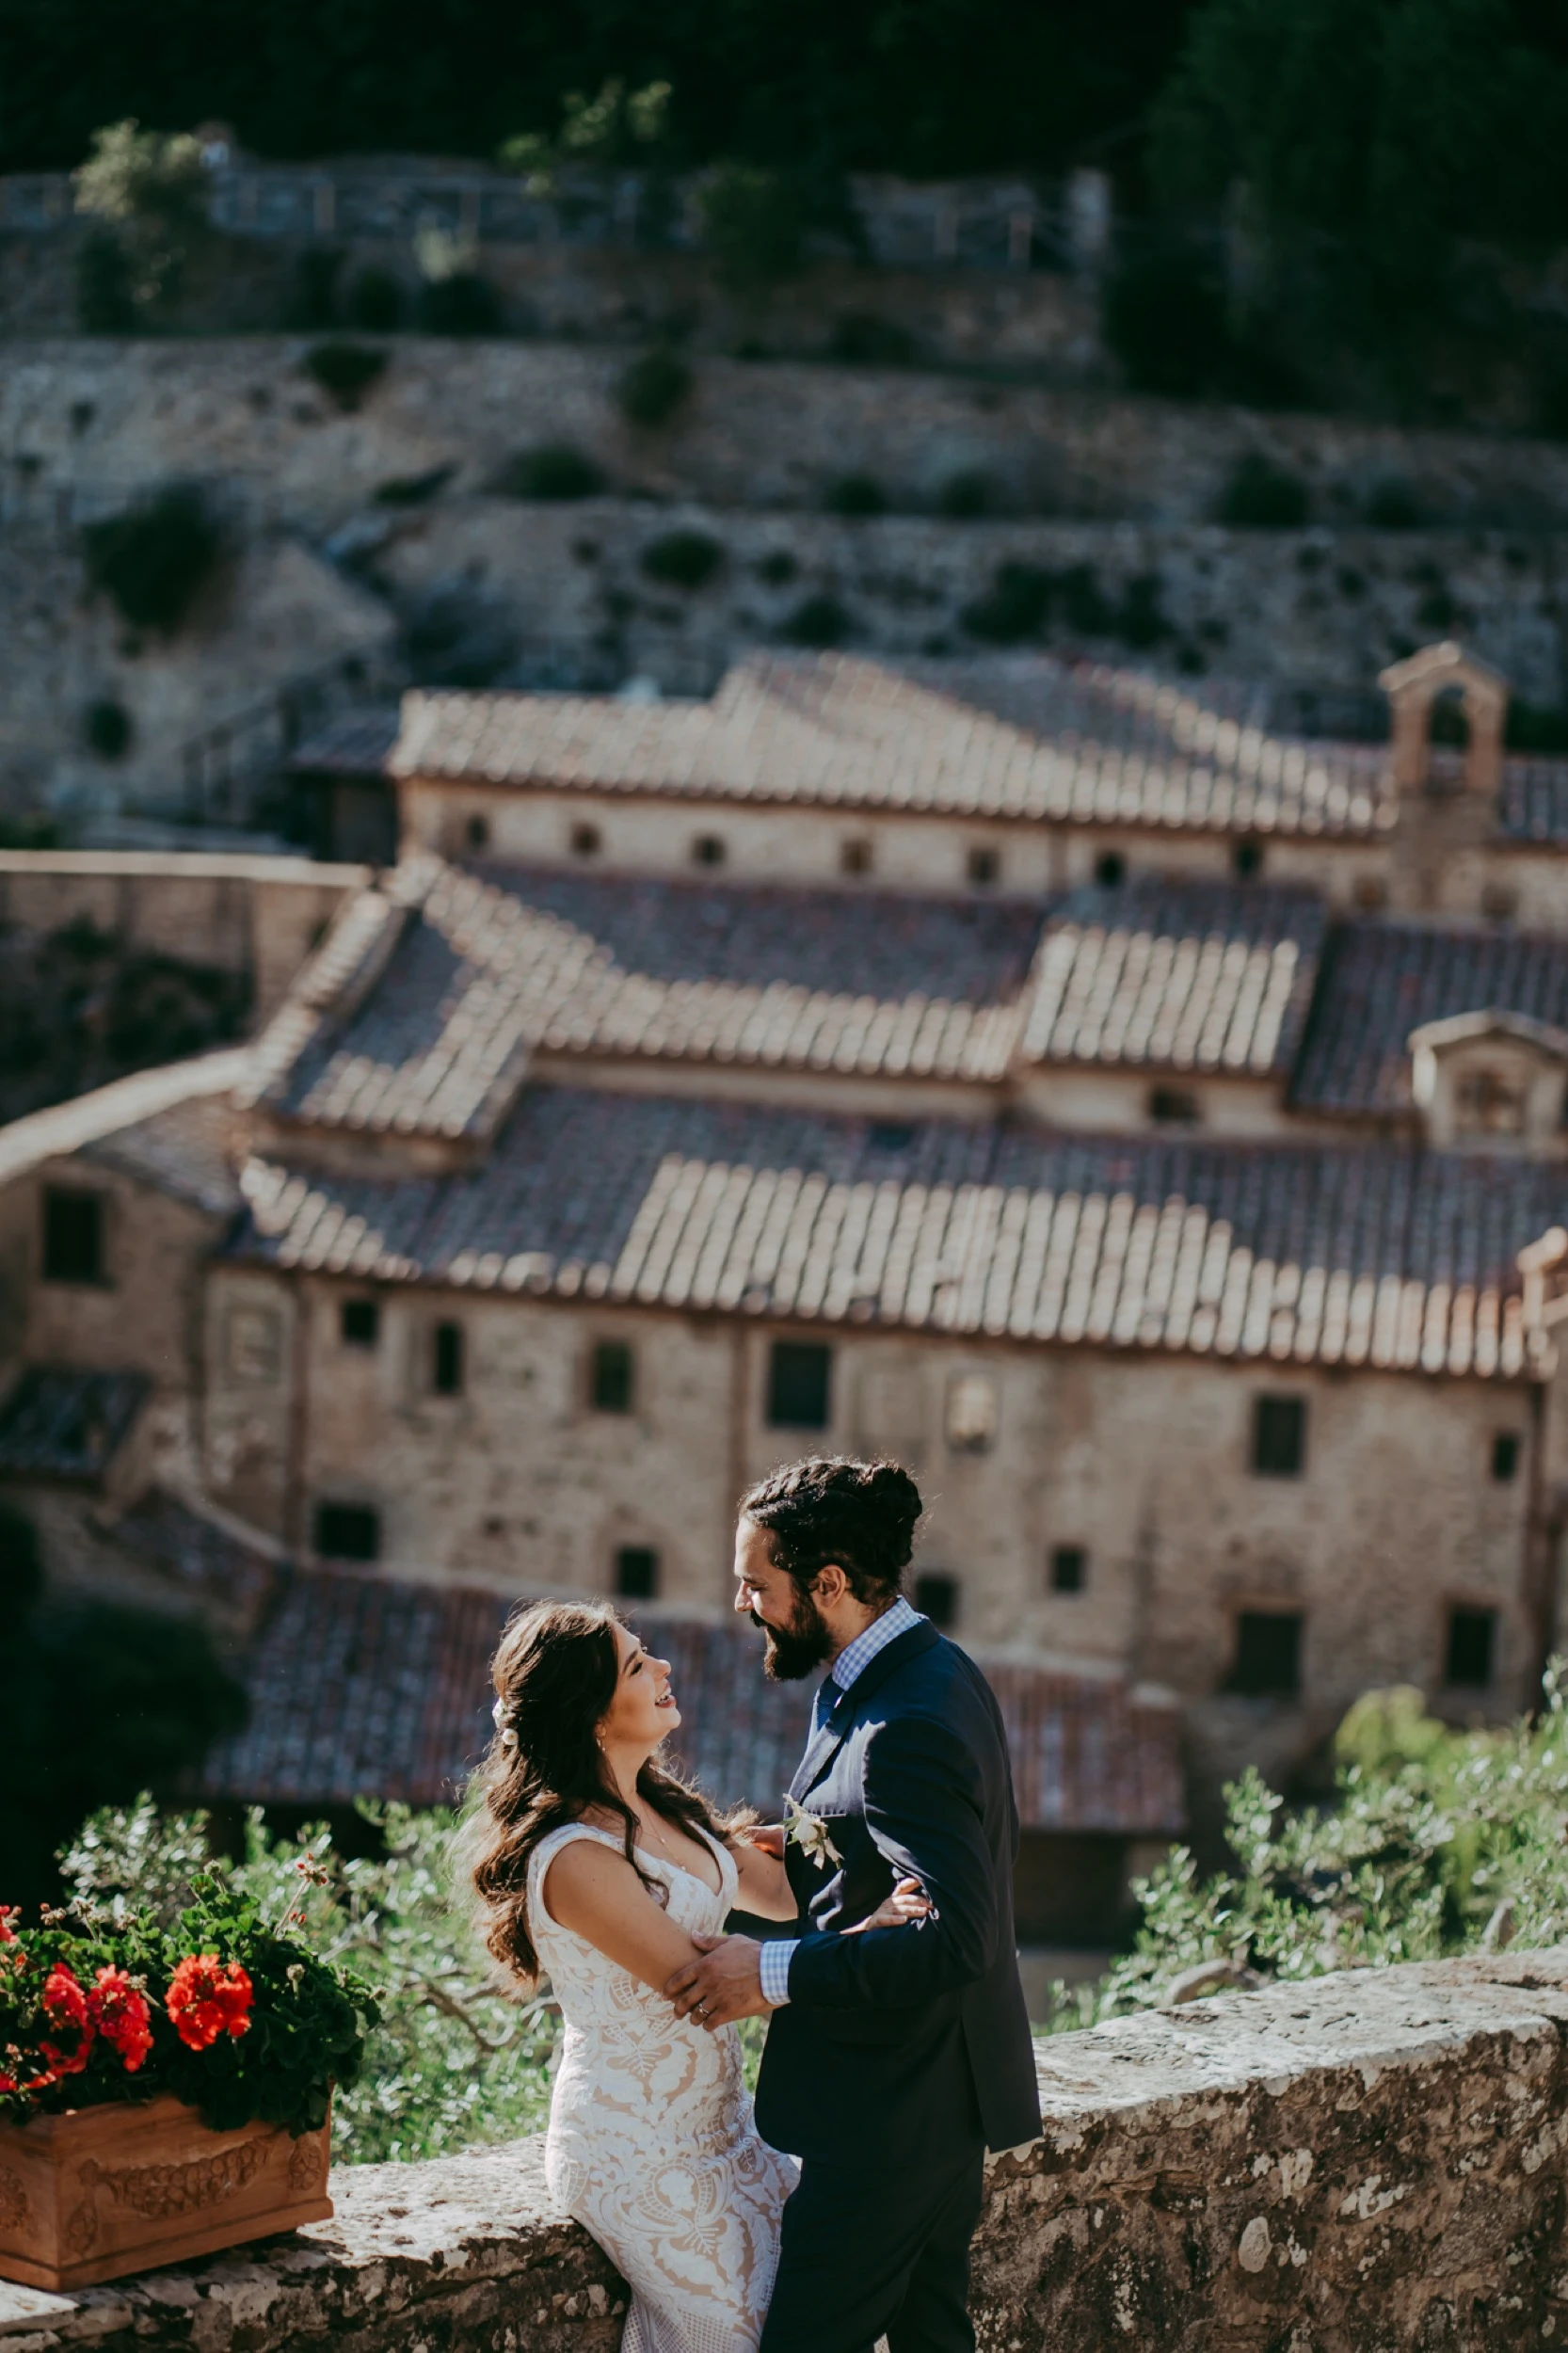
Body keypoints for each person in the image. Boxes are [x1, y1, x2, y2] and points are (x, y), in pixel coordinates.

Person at [465, 1596, 931, 2353]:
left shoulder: (663, 1809)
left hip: (727, 2130)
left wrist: (871, 1828)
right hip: (637, 2150)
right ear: (592, 1714)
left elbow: (781, 1895)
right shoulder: (575, 1856)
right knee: (742, 2339)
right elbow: (705, 1987)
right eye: (636, 1664)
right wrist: (864, 1947)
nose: (664, 1668)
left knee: (836, 2327)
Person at [664, 1457, 1043, 2353]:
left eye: (757, 1584)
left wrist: (769, 1972)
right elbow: (888, 1845)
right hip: (933, 2094)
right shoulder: (924, 1669)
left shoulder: (903, 1719)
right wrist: (796, 1856)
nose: (743, 1604)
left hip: (889, 2119)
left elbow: (958, 1935)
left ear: (827, 1585)